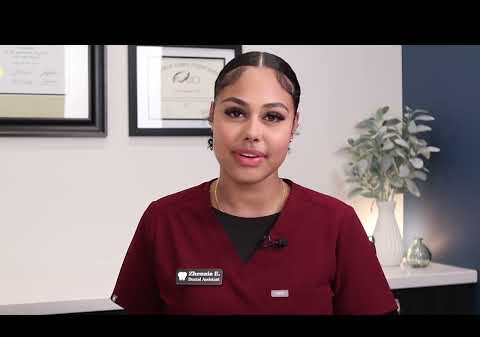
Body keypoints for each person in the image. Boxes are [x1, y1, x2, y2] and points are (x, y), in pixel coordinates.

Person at [111, 51, 398, 315]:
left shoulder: (337, 223)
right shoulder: (163, 220)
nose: (252, 132)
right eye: (235, 112)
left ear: (294, 125)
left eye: (272, 117)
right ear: (212, 115)